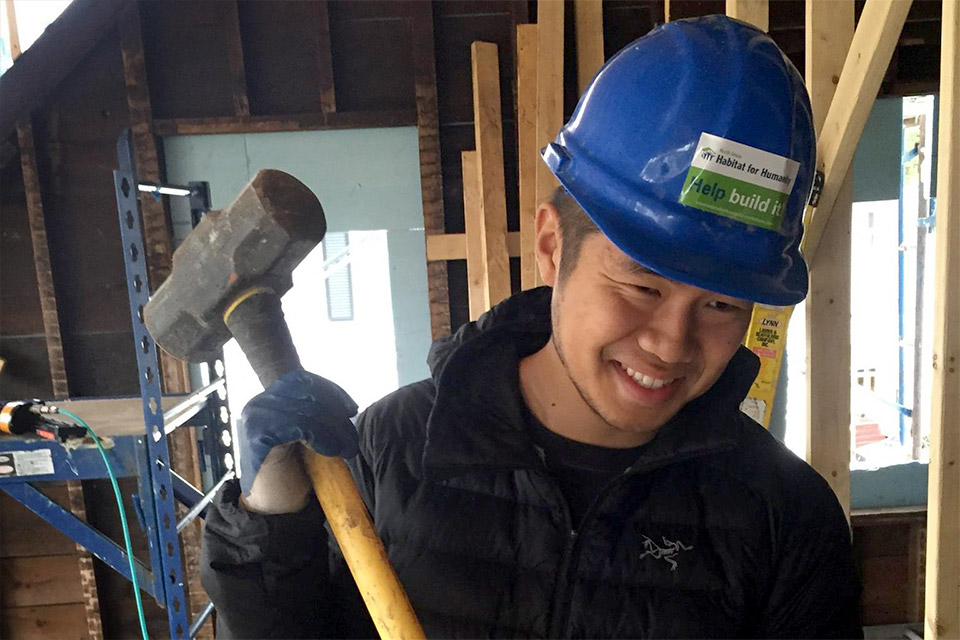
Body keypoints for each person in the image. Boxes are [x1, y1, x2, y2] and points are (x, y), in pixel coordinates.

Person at [202, 15, 862, 639]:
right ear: (550, 247)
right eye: (640, 284)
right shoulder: (391, 453)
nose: (671, 342)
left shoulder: (785, 520)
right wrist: (270, 531)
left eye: (721, 304)